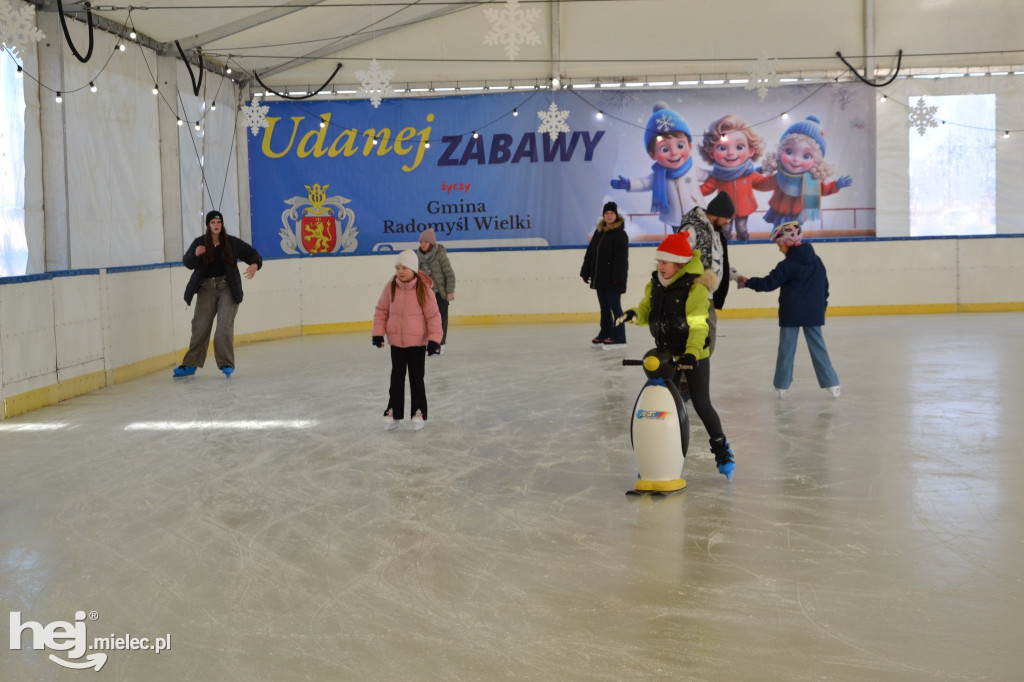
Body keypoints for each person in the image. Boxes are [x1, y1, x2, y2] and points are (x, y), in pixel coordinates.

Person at [617, 232, 736, 480]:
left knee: (702, 405)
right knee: (662, 405)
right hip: (666, 356)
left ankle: (722, 450)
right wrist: (634, 315)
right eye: (659, 262)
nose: (660, 267)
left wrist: (692, 354)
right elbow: (646, 310)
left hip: (695, 355)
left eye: (665, 262)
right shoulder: (655, 285)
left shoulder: (696, 288)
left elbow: (699, 325)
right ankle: (656, 458)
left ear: (680, 264)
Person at [736, 221, 840, 398]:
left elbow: (769, 284)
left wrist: (747, 282)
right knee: (818, 348)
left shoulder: (788, 264)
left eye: (780, 245)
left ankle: (781, 385)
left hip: (791, 313)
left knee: (786, 349)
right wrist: (822, 308)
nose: (779, 249)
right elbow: (825, 287)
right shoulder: (816, 261)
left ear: (789, 243)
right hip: (813, 313)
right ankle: (832, 383)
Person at [174, 210, 262, 378]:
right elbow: (187, 262)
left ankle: (226, 363)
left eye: (219, 223)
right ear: (208, 225)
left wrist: (255, 265)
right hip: (206, 289)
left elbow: (251, 253)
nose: (216, 225)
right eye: (213, 223)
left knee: (224, 327)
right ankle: (190, 364)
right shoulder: (200, 242)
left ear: (222, 225)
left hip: (227, 288)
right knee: (200, 327)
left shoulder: (231, 243)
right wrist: (195, 254)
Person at [372, 250, 443, 431]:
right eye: (397, 267)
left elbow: (434, 316)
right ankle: (394, 412)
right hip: (396, 343)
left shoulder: (424, 290)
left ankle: (418, 412)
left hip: (417, 344)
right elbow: (381, 311)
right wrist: (378, 334)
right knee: (396, 378)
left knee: (416, 379)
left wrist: (434, 341)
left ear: (413, 269)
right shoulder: (391, 288)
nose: (400, 271)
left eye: (404, 267)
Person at [610, 102, 700, 234]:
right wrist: (629, 184)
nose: (674, 153)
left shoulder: (692, 170)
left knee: (697, 240)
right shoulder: (659, 175)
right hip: (674, 216)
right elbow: (645, 182)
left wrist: (724, 173)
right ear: (653, 155)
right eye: (664, 148)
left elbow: (710, 175)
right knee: (680, 241)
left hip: (694, 212)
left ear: (690, 147)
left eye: (680, 146)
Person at [678, 191, 736, 356]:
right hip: (693, 294)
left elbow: (718, 261)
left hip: (707, 295)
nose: (727, 222)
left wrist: (735, 276)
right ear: (719, 213)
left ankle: (696, 376)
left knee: (707, 338)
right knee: (695, 337)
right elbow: (678, 258)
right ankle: (687, 377)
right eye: (727, 218)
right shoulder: (692, 228)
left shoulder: (714, 231)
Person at [697, 113, 767, 242]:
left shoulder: (749, 173)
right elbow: (707, 188)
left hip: (744, 208)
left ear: (751, 151)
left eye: (739, 147)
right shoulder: (718, 176)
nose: (731, 153)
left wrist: (778, 179)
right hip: (723, 212)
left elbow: (762, 183)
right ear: (712, 152)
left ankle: (744, 245)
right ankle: (725, 248)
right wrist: (690, 191)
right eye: (722, 147)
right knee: (725, 231)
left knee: (742, 228)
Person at [580, 201, 629, 346]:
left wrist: (617, 279)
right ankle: (605, 334)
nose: (609, 216)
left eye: (612, 213)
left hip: (613, 280)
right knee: (604, 308)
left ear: (616, 215)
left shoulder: (620, 235)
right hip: (600, 278)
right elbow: (591, 253)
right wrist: (585, 272)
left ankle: (619, 336)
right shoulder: (599, 232)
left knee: (616, 308)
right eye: (607, 213)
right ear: (603, 215)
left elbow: (621, 260)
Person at [416, 228, 456, 353]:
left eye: (426, 242)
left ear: (431, 243)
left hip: (439, 293)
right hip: (425, 293)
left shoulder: (440, 255)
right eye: (421, 241)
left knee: (441, 319)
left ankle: (440, 344)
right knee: (424, 319)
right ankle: (428, 342)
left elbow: (449, 275)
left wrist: (449, 292)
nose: (423, 244)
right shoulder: (417, 256)